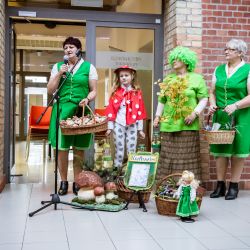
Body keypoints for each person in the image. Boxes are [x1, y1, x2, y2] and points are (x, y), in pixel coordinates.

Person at [47, 37, 98, 195]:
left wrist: (88, 98)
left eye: (71, 47)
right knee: (61, 149)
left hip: (81, 112)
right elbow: (50, 90)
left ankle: (77, 181)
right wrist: (59, 74)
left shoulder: (89, 67)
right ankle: (63, 181)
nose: (68, 50)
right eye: (65, 48)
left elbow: (94, 90)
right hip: (62, 110)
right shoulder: (58, 67)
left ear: (78, 49)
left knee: (79, 149)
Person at [153, 46, 208, 181]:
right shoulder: (168, 79)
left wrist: (195, 114)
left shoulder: (196, 78)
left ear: (185, 60)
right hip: (168, 125)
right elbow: (162, 100)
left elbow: (204, 99)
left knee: (187, 156)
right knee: (167, 156)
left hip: (188, 124)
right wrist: (157, 117)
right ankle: (166, 186)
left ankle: (188, 186)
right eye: (173, 59)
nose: (174, 61)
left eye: (177, 59)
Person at [209, 39, 250, 200]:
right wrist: (212, 104)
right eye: (225, 49)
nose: (226, 51)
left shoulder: (247, 70)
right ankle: (220, 185)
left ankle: (234, 186)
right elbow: (211, 92)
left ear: (240, 53)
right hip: (221, 116)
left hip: (241, 116)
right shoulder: (218, 69)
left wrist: (236, 105)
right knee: (220, 151)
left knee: (238, 152)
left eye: (230, 49)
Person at [105, 65, 147, 169]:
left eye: (126, 75)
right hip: (119, 124)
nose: (124, 77)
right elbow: (111, 110)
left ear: (132, 76)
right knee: (119, 149)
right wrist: (110, 127)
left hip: (132, 125)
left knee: (131, 150)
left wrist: (140, 129)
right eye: (121, 76)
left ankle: (131, 172)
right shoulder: (116, 93)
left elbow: (140, 111)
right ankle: (117, 171)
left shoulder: (136, 92)